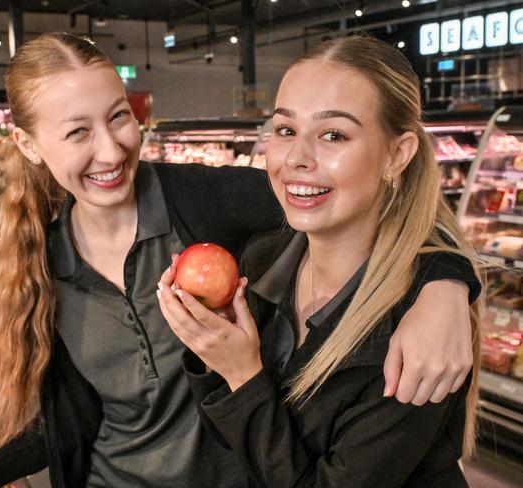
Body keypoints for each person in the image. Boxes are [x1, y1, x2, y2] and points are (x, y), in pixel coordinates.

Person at [0, 33, 479, 488]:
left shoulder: (202, 202)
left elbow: (367, 205)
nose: (110, 147)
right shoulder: (45, 257)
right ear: (30, 147)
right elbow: (79, 416)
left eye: (118, 116)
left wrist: (446, 283)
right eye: (76, 132)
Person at [158, 35, 483, 488]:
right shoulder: (265, 258)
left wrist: (242, 374)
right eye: (286, 130)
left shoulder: (412, 342)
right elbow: (232, 442)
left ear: (398, 153)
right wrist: (211, 357)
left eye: (334, 135)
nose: (296, 158)